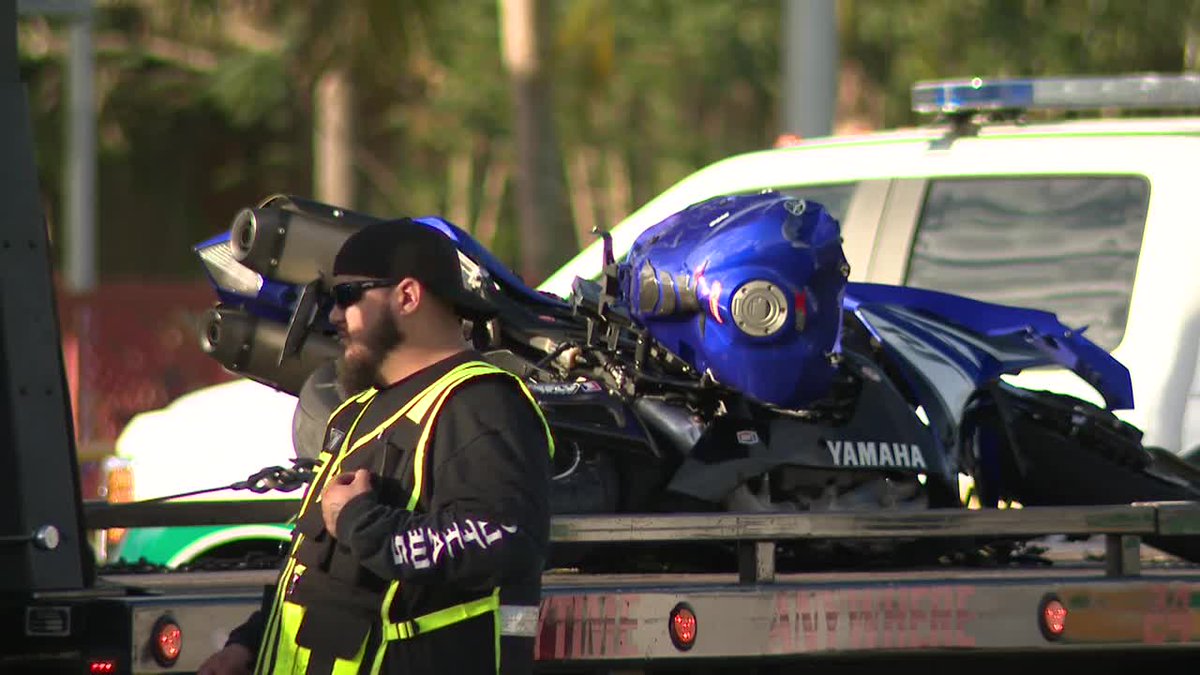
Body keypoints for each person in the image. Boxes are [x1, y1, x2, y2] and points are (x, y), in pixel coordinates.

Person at [198, 218, 554, 675]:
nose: (333, 316)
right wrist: (247, 645)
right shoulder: (359, 410)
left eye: (347, 296)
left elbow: (500, 542)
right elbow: (316, 571)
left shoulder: (481, 404)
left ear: (407, 296)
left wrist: (361, 522)